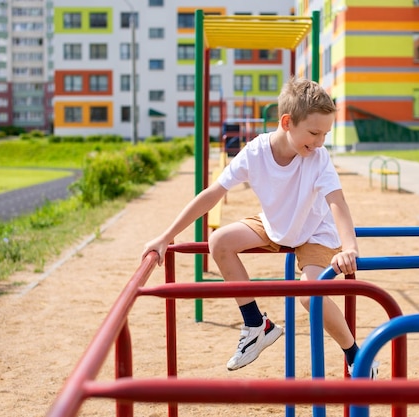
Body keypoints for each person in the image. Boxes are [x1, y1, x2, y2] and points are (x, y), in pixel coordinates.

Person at [142, 77, 377, 378]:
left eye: (325, 134)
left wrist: (350, 247)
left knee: (309, 295)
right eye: (314, 133)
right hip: (274, 224)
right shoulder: (255, 152)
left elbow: (337, 202)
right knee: (219, 242)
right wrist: (166, 237)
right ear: (287, 121)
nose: (320, 142)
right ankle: (256, 324)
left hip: (314, 229)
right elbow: (213, 194)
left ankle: (355, 355)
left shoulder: (318, 158)